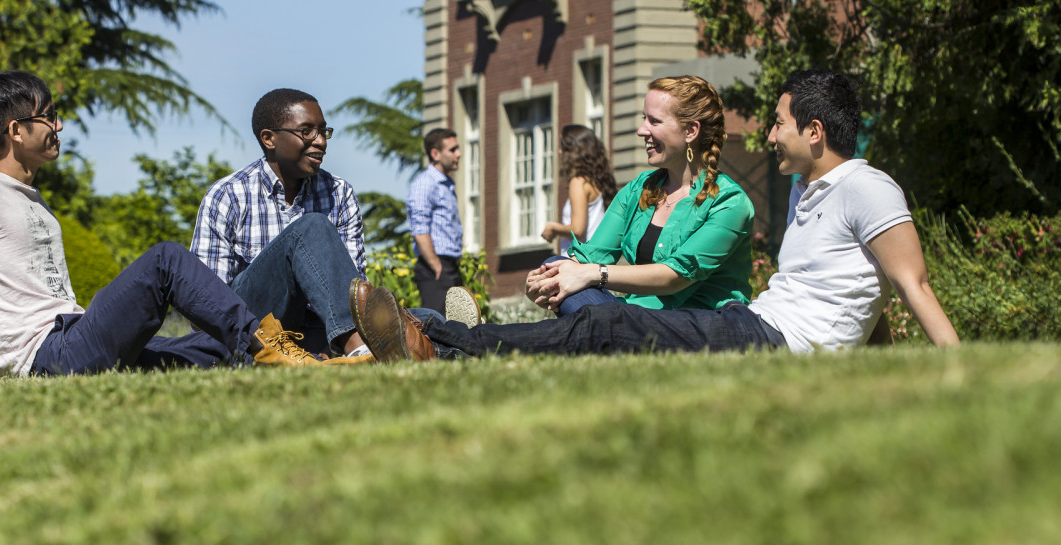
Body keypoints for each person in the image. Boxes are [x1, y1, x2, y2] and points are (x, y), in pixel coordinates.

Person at [355, 69, 959, 362]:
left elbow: (910, 285)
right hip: (761, 322)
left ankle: (436, 341)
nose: (770, 135)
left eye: (778, 123)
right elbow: (860, 299)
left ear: (815, 130)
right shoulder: (808, 190)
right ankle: (423, 334)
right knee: (594, 318)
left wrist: (956, 371)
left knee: (602, 326)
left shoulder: (868, 187)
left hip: (762, 334)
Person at [0, 71, 363, 381]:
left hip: (72, 334)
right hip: (54, 352)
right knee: (164, 259)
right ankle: (266, 346)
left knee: (204, 352)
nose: (59, 125)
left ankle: (343, 352)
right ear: (15, 130)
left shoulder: (33, 201)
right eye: (49, 116)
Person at [527, 76, 755, 317]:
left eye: (654, 121)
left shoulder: (730, 202)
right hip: (632, 317)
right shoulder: (638, 190)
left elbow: (674, 277)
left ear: (690, 131)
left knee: (590, 314)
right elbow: (589, 257)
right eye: (643, 119)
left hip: (696, 323)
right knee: (558, 265)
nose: (641, 130)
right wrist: (545, 278)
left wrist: (593, 273)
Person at [191, 88, 381, 357]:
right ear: (269, 139)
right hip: (253, 333)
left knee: (422, 317)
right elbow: (204, 309)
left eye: (323, 131)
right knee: (311, 227)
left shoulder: (339, 193)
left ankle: (455, 337)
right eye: (306, 131)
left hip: (320, 330)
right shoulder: (227, 196)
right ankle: (360, 352)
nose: (321, 142)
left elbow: (353, 291)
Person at [407, 128, 465, 314]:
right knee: (436, 325)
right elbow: (419, 229)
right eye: (453, 149)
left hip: (450, 266)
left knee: (458, 325)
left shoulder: (445, 184)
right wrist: (436, 266)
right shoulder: (425, 183)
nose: (459, 153)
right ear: (435, 154)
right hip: (436, 268)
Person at [539, 124, 617, 255]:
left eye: (563, 148)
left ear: (575, 151)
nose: (559, 152)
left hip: (578, 262)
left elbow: (578, 229)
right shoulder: (596, 182)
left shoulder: (578, 182)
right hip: (593, 261)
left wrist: (553, 228)